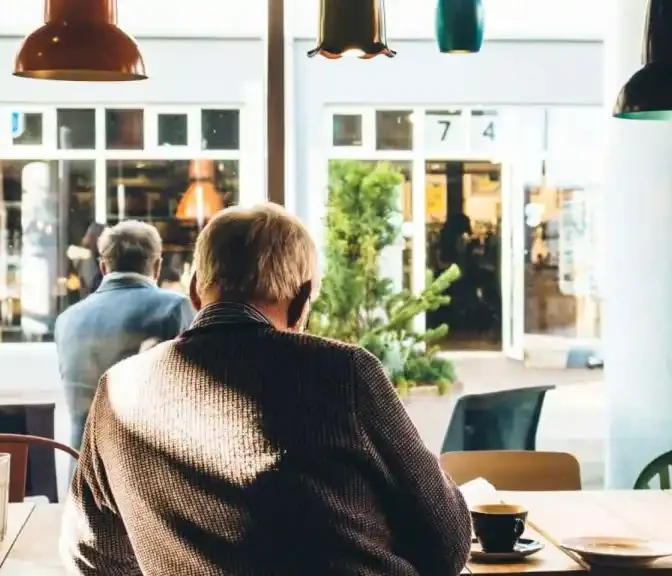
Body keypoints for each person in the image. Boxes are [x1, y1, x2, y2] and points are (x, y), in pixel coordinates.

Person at [60, 204, 472, 575]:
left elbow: (92, 555)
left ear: (195, 290)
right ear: (302, 300)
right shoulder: (344, 374)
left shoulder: (117, 391)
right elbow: (448, 545)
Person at [54, 220, 195, 452]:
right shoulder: (174, 308)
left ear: (103, 268)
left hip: (82, 465)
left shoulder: (66, 319)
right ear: (157, 266)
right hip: (146, 466)